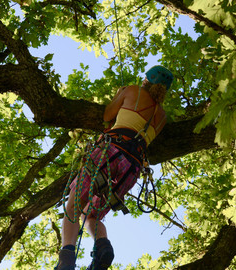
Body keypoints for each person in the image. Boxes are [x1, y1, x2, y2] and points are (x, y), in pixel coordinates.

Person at [55, 66, 174, 270]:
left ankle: (66, 255)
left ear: (147, 80)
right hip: (131, 168)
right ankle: (103, 247)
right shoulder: (162, 116)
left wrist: (119, 95)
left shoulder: (133, 90)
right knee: (91, 215)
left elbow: (107, 115)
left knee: (74, 203)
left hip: (110, 151)